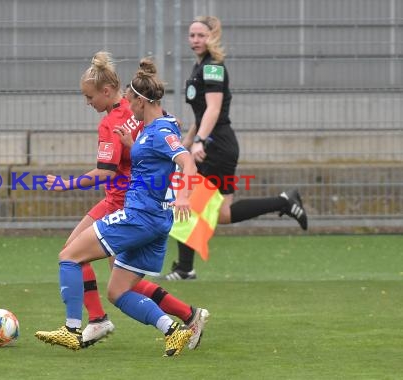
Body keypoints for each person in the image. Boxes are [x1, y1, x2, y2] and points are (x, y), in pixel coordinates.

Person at [42, 51, 209, 349]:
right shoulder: (157, 124)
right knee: (119, 290)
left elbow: (184, 162)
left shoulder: (150, 129)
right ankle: (176, 327)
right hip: (152, 217)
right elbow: (155, 154)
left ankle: (75, 327)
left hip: (135, 213)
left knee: (70, 256)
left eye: (129, 101)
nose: (126, 106)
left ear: (139, 101)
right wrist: (133, 145)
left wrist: (184, 195)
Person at [163, 16, 308, 281]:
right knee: (221, 213)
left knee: (186, 198)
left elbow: (214, 109)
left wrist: (199, 142)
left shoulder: (213, 68)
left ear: (211, 38)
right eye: (192, 35)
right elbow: (201, 113)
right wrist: (188, 140)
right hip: (215, 144)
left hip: (216, 147)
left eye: (201, 35)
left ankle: (185, 269)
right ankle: (284, 201)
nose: (195, 40)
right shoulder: (200, 68)